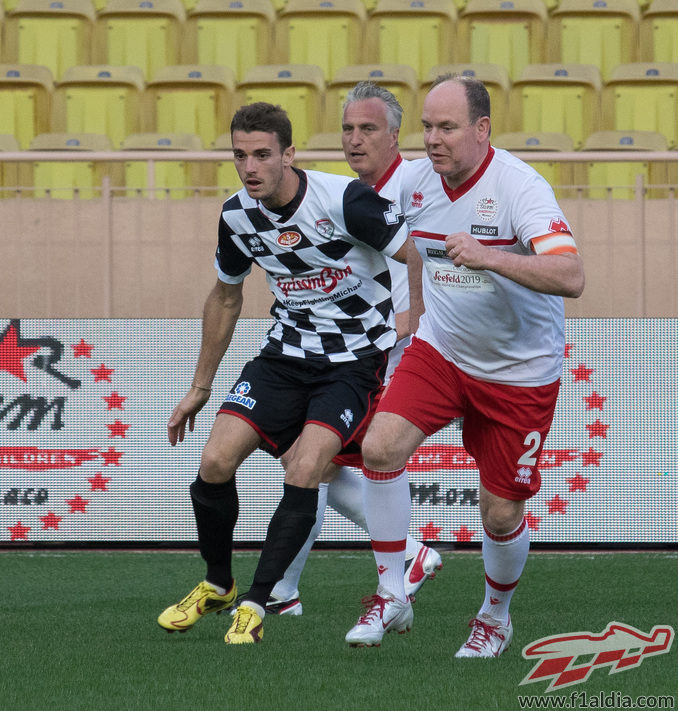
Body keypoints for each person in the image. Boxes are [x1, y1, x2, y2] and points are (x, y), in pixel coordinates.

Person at [347, 74, 585, 656]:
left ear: (482, 129)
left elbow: (572, 276)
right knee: (378, 448)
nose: (433, 139)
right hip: (442, 351)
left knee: (500, 513)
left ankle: (495, 617)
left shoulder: (519, 187)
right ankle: (391, 592)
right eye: (426, 126)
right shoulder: (413, 180)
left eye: (447, 127)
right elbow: (380, 222)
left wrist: (491, 257)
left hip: (519, 371)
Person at [157, 102, 411, 644]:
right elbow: (226, 297)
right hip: (284, 356)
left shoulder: (344, 200)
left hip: (351, 364)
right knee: (214, 461)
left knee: (306, 469)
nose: (250, 167)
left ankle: (258, 601)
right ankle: (219, 584)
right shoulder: (235, 216)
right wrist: (198, 388)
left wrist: (409, 326)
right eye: (240, 155)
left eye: (262, 155)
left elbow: (421, 260)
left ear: (289, 154)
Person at [262, 82, 442, 617]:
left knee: (315, 460)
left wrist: (409, 323)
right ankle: (286, 589)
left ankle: (290, 589)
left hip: (387, 352)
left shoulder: (419, 187)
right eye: (347, 128)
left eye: (368, 129)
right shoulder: (340, 192)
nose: (355, 139)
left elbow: (432, 263)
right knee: (310, 461)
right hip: (346, 349)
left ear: (394, 134)